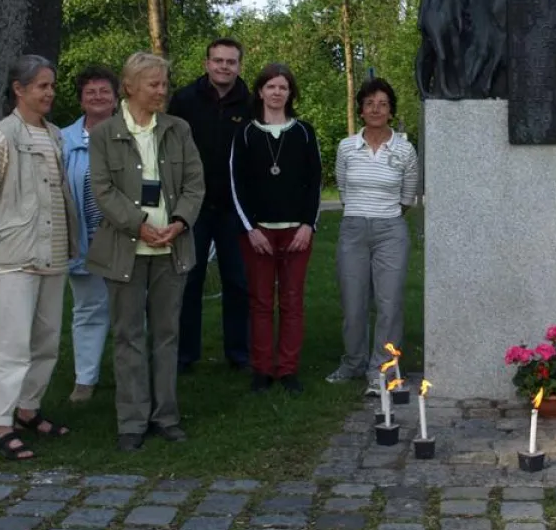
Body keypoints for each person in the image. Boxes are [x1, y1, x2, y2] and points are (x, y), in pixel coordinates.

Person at [88, 52, 204, 451]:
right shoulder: (104, 134)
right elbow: (103, 190)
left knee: (166, 335)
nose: (162, 91)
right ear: (130, 86)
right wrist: (138, 225)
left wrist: (179, 222)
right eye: (154, 84)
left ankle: (166, 417)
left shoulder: (178, 129)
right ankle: (132, 422)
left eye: (164, 84)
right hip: (126, 249)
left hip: (172, 248)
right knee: (128, 336)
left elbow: (195, 184)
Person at [0, 55, 79, 460]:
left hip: (53, 254)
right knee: (10, 345)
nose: (50, 93)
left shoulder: (54, 134)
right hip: (13, 258)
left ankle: (28, 410)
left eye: (52, 85)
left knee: (46, 341)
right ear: (19, 89)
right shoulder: (1, 136)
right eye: (42, 86)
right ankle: (1, 424)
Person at [230, 63, 323, 395]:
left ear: (290, 93)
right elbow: (236, 184)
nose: (277, 92)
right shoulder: (245, 133)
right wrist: (250, 229)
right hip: (258, 233)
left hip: (296, 232)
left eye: (283, 87)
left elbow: (315, 183)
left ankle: (287, 369)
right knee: (260, 302)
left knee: (292, 301)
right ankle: (262, 369)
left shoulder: (304, 132)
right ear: (260, 91)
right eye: (271, 86)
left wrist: (308, 225)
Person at [326, 78, 419, 395]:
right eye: (369, 104)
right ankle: (353, 362)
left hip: (391, 230)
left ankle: (383, 369)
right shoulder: (346, 147)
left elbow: (407, 196)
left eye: (382, 104)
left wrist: (383, 214)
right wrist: (362, 213)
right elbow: (343, 190)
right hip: (353, 229)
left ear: (391, 110)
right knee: (353, 302)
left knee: (389, 303)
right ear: (361, 110)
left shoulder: (405, 149)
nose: (376, 109)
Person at [168, 37, 251, 374]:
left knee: (238, 282)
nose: (224, 67)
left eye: (230, 62)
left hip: (235, 208)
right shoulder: (184, 100)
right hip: (193, 207)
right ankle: (185, 355)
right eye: (218, 60)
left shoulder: (250, 103)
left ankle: (239, 353)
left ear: (239, 66)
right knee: (189, 281)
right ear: (207, 64)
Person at [60, 65, 120, 404]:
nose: (98, 97)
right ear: (81, 100)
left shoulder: (131, 134)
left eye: (104, 91)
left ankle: (132, 376)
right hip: (83, 239)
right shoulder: (63, 141)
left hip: (125, 239)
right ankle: (85, 380)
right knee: (87, 309)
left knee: (132, 310)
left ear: (116, 98)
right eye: (90, 92)